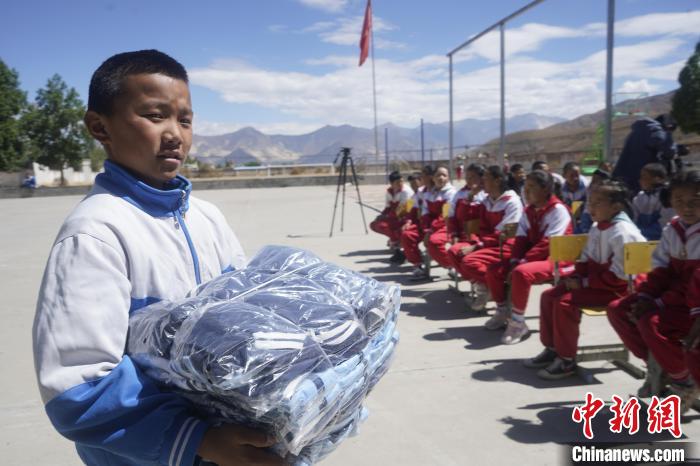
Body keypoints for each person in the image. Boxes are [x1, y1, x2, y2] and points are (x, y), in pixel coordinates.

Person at [32, 50, 284, 466]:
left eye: (184, 120)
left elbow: (244, 319)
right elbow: (77, 387)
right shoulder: (96, 233)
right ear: (99, 127)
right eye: (154, 116)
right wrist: (200, 439)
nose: (174, 134)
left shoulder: (206, 217)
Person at [524, 180, 646, 379]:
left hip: (617, 289)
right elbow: (586, 259)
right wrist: (575, 277)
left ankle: (566, 360)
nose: (590, 207)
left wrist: (583, 283)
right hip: (597, 284)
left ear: (616, 207)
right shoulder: (598, 227)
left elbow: (620, 277)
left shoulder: (623, 231)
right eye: (590, 202)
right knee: (548, 296)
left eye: (597, 203)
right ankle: (553, 348)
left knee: (564, 303)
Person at [607, 171, 700, 411]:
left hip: (695, 306)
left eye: (695, 201)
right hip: (675, 300)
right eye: (679, 201)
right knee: (619, 310)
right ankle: (662, 366)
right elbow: (661, 271)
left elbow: (694, 286)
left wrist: (657, 303)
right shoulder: (673, 229)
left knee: (651, 323)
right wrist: (646, 296)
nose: (687, 208)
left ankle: (684, 382)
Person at [484, 170, 572, 344]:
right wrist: (515, 260)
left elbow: (548, 243)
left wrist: (522, 262)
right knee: (494, 270)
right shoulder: (529, 211)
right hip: (533, 259)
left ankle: (518, 323)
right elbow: (521, 239)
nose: (526, 191)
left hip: (556, 259)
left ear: (545, 189)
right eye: (525, 186)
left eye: (531, 187)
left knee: (521, 273)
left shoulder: (558, 210)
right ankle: (503, 310)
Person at [448, 165, 523, 311]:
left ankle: (495, 290)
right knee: (454, 252)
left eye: (486, 178)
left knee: (469, 261)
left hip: (504, 245)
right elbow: (464, 217)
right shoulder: (488, 201)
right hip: (487, 243)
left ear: (497, 181)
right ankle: (485, 287)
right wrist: (470, 196)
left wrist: (477, 246)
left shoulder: (512, 202)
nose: (482, 182)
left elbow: (503, 233)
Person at [425, 163, 486, 271]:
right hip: (461, 233)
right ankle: (456, 268)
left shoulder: (487, 194)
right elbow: (451, 216)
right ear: (432, 178)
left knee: (437, 242)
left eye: (472, 177)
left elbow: (445, 216)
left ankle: (458, 269)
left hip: (481, 236)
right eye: (467, 177)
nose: (469, 180)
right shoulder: (459, 194)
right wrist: (454, 234)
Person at [612, 114, 688, 193]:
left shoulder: (636, 131)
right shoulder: (656, 130)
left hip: (621, 176)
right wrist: (675, 145)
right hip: (638, 179)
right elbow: (669, 151)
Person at [408, 165, 456, 281]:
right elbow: (423, 210)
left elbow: (445, 215)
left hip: (446, 225)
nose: (441, 178)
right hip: (429, 226)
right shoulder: (428, 193)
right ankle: (417, 264)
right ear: (433, 178)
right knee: (407, 234)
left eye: (444, 175)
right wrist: (425, 227)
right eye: (438, 175)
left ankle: (454, 266)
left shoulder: (451, 193)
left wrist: (430, 230)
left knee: (433, 242)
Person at [369, 170, 413, 260]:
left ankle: (396, 241)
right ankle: (395, 239)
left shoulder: (406, 192)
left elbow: (402, 210)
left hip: (405, 217)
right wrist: (381, 215)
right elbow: (387, 207)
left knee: (388, 225)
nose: (401, 184)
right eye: (398, 182)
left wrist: (387, 217)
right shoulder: (389, 192)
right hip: (394, 217)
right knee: (375, 225)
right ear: (392, 183)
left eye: (402, 181)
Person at [399, 165, 435, 269]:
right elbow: (410, 212)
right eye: (411, 184)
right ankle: (417, 263)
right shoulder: (417, 193)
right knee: (406, 234)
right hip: (421, 224)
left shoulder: (440, 192)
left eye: (423, 177)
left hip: (435, 225)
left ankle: (448, 263)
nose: (413, 186)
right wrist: (408, 221)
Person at [632, 163, 674, 241]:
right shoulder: (639, 197)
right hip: (641, 239)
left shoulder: (666, 197)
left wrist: (639, 234)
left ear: (657, 179)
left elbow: (664, 224)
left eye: (644, 177)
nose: (640, 180)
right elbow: (634, 220)